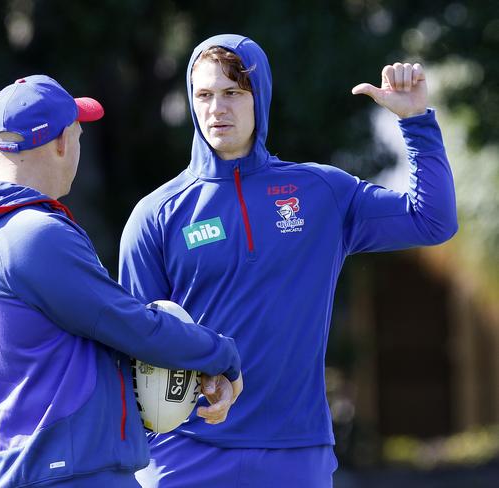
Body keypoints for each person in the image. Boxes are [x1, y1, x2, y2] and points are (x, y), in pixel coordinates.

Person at [119, 34, 457, 487]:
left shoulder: (322, 193)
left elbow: (432, 220)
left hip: (298, 454)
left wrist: (416, 121)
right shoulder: (156, 215)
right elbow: (135, 347)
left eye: (233, 92)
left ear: (260, 97)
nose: (218, 108)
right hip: (187, 456)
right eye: (204, 94)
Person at [0, 74, 243, 488]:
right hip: (70, 474)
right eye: (79, 136)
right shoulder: (33, 235)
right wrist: (221, 356)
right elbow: (129, 324)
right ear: (62, 142)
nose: (78, 150)